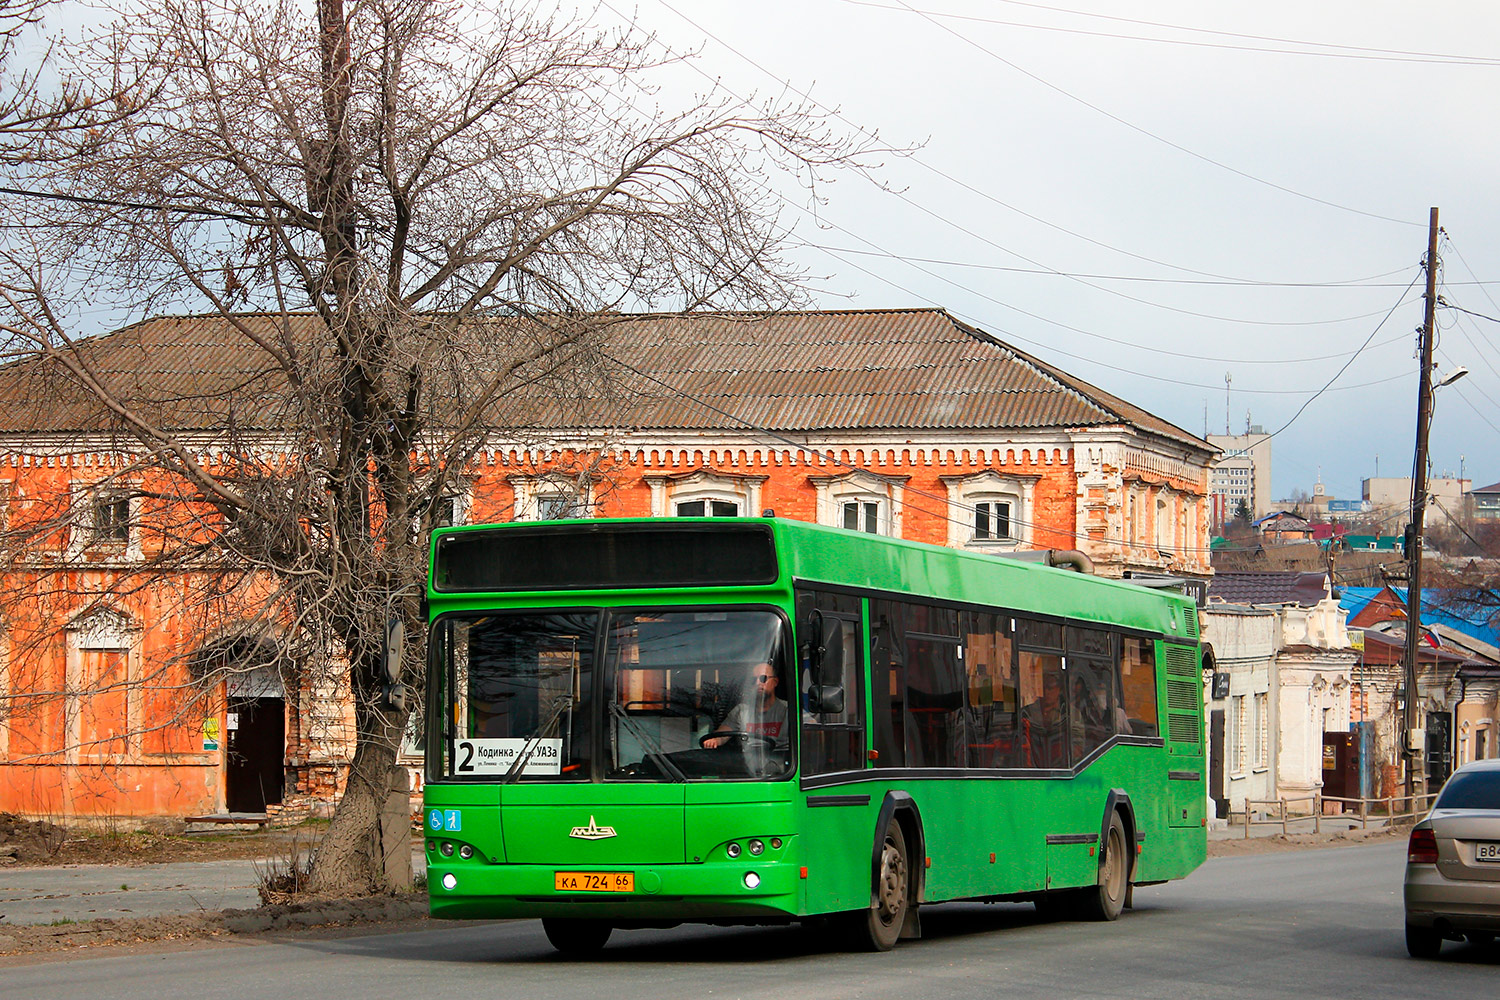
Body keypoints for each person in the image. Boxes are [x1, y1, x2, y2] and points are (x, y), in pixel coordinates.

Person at [704, 662, 788, 748]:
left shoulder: (789, 710)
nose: (757, 683)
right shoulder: (740, 711)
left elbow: (802, 735)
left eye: (763, 678)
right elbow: (722, 735)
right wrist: (714, 740)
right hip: (749, 760)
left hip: (779, 760)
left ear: (775, 682)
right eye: (753, 680)